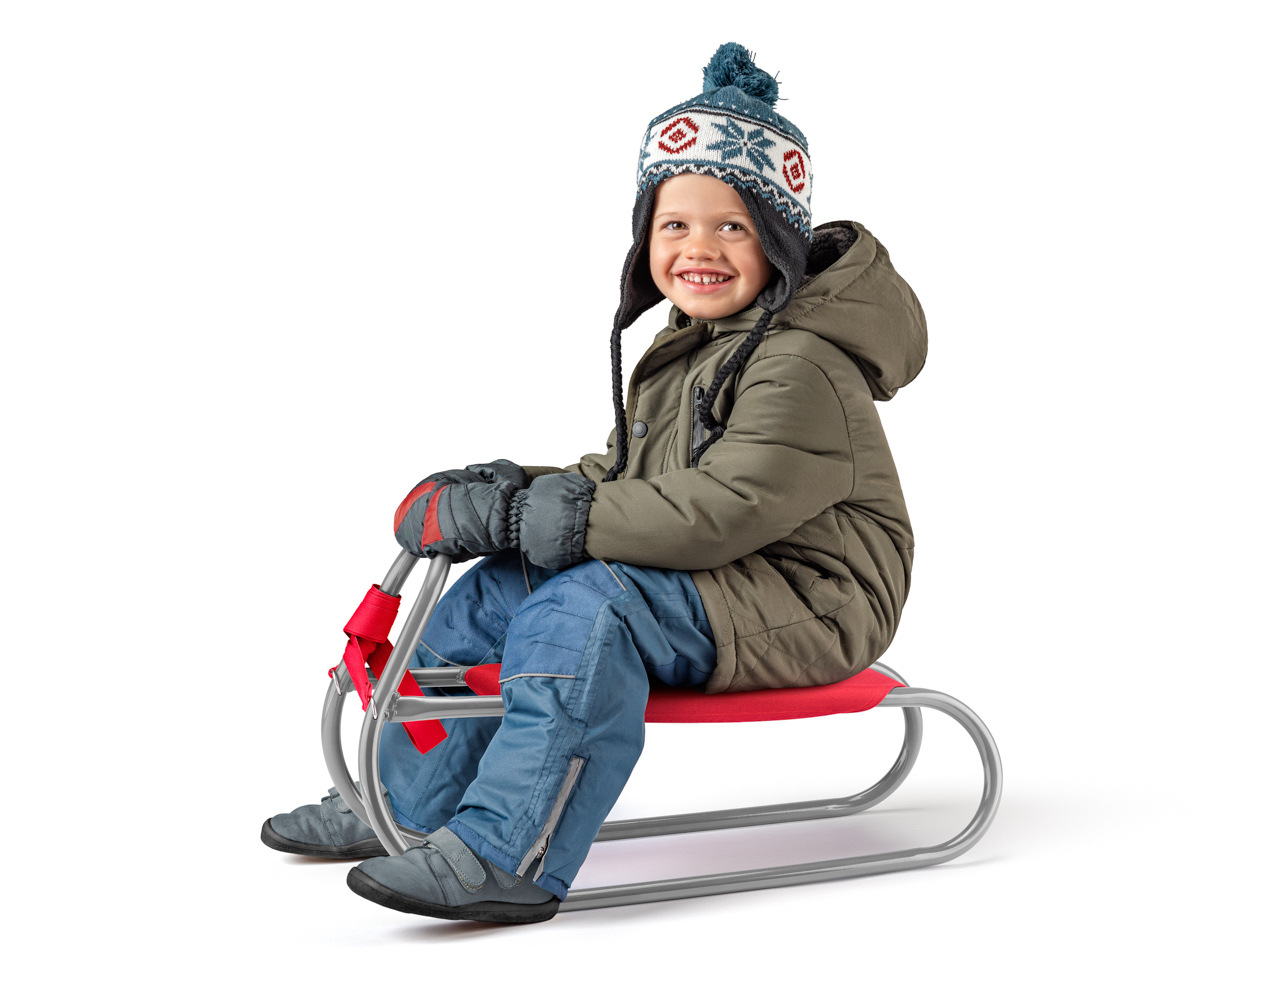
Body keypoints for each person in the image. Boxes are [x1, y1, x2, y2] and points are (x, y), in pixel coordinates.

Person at [262, 42, 927, 924]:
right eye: (674, 225)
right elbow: (622, 480)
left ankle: (507, 850)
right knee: (497, 591)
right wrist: (506, 494)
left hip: (810, 595)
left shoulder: (799, 364)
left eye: (732, 227)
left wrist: (551, 515)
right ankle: (401, 800)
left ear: (780, 241)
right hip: (723, 578)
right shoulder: (693, 346)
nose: (699, 248)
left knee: (586, 609)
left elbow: (720, 510)